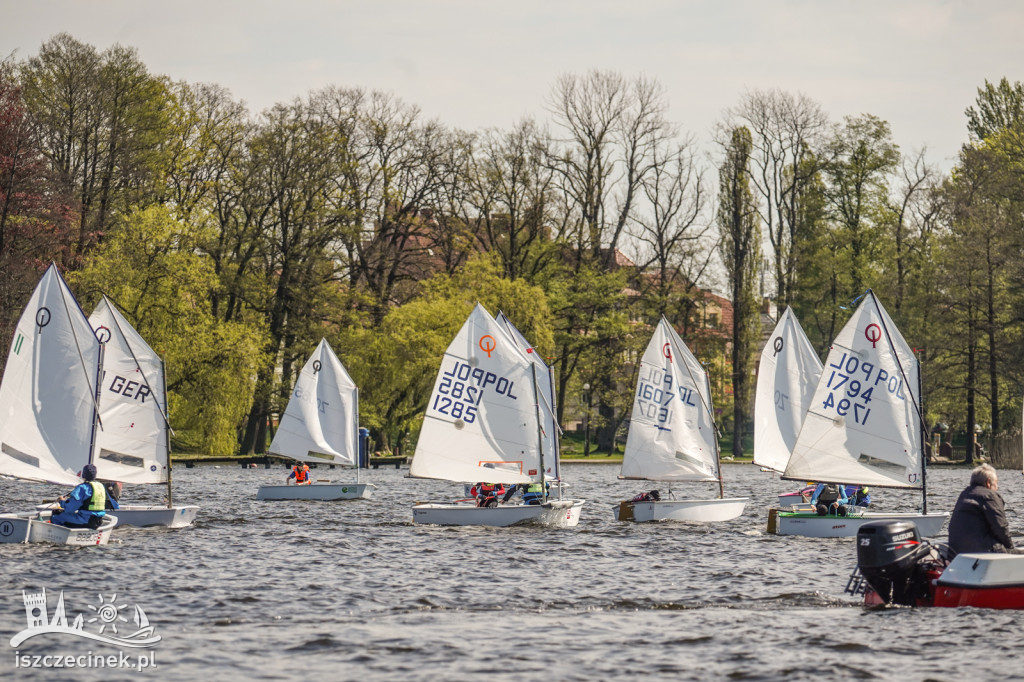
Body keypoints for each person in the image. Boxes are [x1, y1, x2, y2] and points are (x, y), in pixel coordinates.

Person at [948, 463, 1016, 557]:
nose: (997, 488)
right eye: (996, 483)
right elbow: (1001, 527)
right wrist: (1011, 549)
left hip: (956, 552)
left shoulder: (964, 494)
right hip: (983, 552)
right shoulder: (989, 495)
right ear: (988, 482)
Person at [50, 464, 116, 528]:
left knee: (56, 516)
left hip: (85, 520)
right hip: (98, 521)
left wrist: (62, 501)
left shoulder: (82, 488)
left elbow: (70, 509)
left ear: (83, 475)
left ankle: (64, 536)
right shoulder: (101, 486)